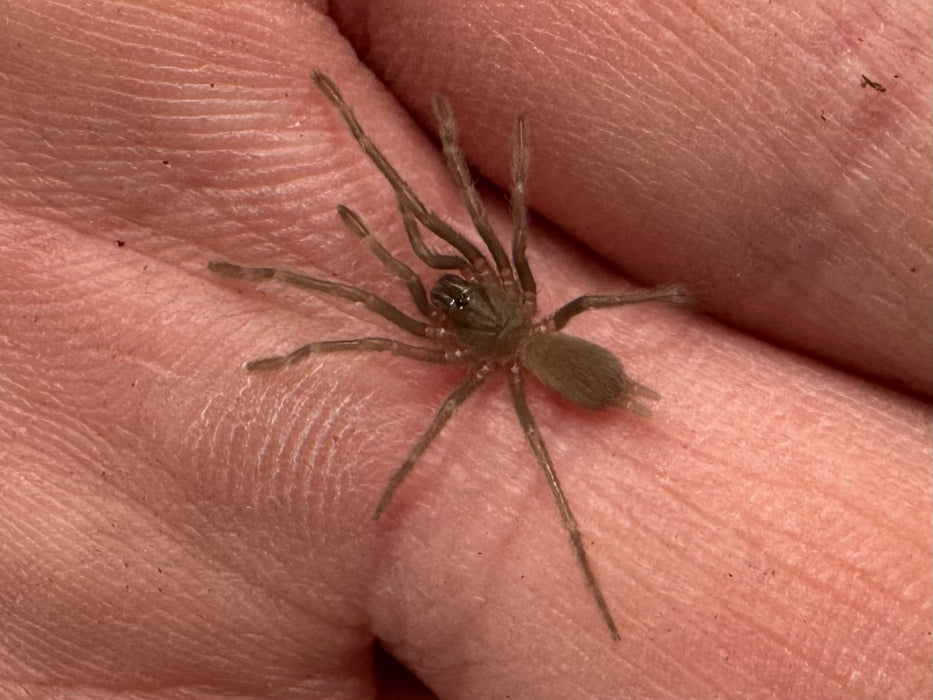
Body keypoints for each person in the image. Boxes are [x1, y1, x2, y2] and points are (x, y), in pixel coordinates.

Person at [1, 1, 929, 698]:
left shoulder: (480, 333)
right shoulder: (496, 300)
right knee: (393, 262)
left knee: (403, 271)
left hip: (554, 358)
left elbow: (445, 252)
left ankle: (595, 576)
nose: (447, 290)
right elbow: (439, 249)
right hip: (542, 350)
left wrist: (656, 291)